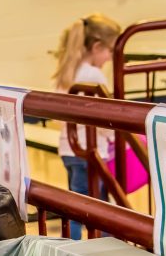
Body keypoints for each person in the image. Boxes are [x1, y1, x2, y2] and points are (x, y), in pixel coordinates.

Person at [52, 14, 121, 240]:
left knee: (79, 200)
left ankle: (96, 242)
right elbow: (103, 114)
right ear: (97, 46)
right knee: (90, 205)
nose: (110, 58)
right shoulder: (93, 75)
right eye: (109, 51)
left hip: (68, 149)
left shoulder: (67, 71)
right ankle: (82, 246)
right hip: (90, 151)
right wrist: (113, 136)